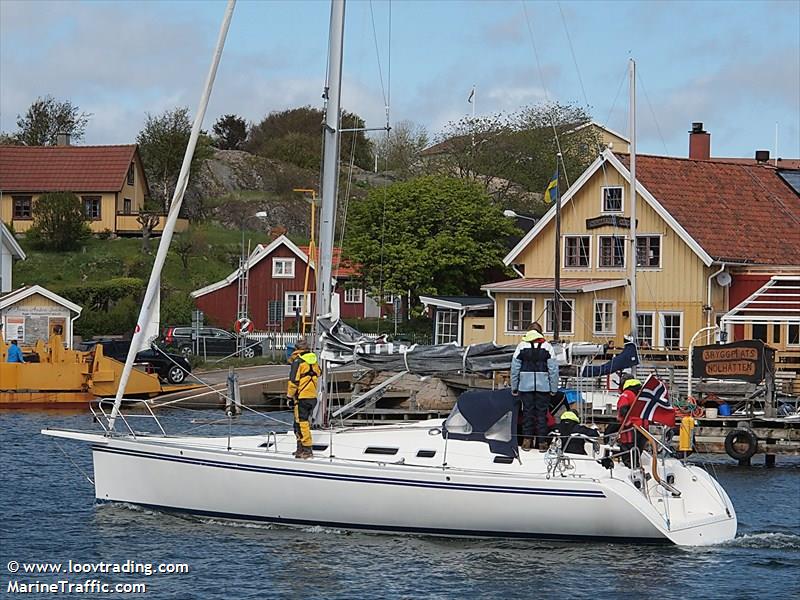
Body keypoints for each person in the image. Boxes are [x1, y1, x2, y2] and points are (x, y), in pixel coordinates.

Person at [510, 328, 559, 451]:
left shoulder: (521, 347)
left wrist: (514, 387)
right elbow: (553, 371)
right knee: (542, 415)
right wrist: (553, 388)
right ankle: (542, 443)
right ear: (540, 333)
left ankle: (527, 442)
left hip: (525, 387)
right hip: (543, 388)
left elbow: (515, 369)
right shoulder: (548, 347)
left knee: (527, 413)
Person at [287, 342, 321, 459]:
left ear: (296, 350)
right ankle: (300, 448)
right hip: (312, 397)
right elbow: (319, 373)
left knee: (301, 423)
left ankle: (306, 448)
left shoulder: (298, 362)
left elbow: (293, 382)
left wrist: (289, 397)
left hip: (302, 397)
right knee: (300, 422)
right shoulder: (314, 361)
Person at [616, 378, 648, 467]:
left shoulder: (626, 394)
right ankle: (635, 463)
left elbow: (622, 409)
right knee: (638, 447)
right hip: (643, 427)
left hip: (631, 426)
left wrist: (627, 422)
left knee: (627, 446)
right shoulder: (642, 394)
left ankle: (629, 465)